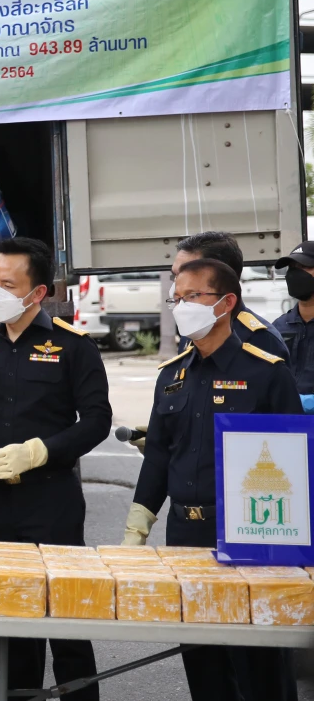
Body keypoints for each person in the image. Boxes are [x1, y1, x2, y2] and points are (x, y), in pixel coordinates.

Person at [123, 258, 299, 701]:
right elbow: (158, 456)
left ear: (226, 302)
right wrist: (137, 527)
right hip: (186, 533)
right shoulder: (172, 375)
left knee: (257, 660)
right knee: (202, 657)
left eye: (193, 296)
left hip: (250, 532)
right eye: (177, 298)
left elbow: (295, 464)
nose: (182, 306)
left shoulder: (266, 371)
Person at [0, 238, 109, 701]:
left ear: (37, 292)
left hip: (51, 498)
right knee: (14, 623)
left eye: (7, 285)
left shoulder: (73, 346)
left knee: (66, 621)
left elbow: (96, 420)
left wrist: (42, 451)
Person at [172, 231, 288, 359]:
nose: (178, 282)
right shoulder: (191, 330)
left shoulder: (262, 340)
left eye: (189, 274)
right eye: (175, 275)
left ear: (224, 275)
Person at [272, 241, 314, 408]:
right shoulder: (278, 328)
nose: (295, 274)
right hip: (285, 420)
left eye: (304, 267)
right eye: (292, 268)